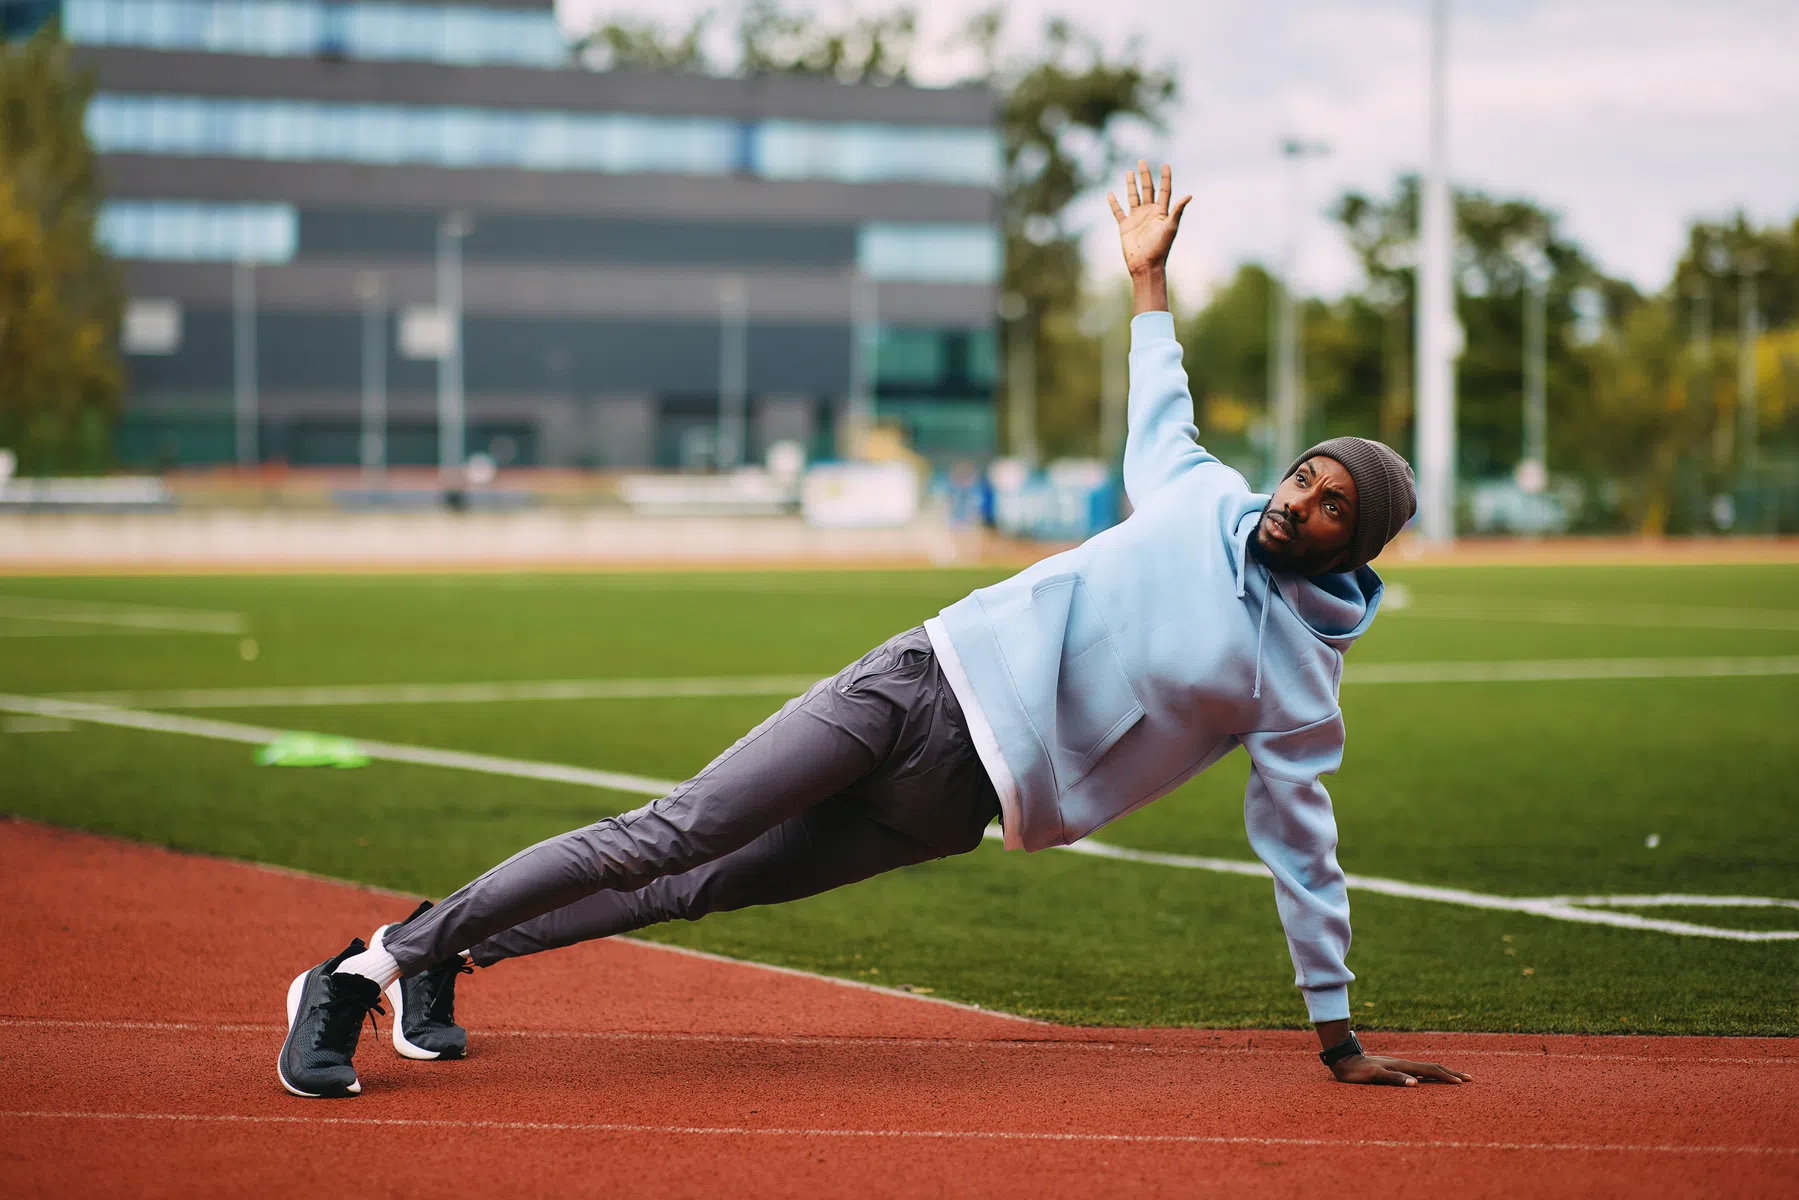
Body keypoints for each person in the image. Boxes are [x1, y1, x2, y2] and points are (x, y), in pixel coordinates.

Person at [278, 163, 1471, 1099]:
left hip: (954, 806)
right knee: (675, 831)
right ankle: (357, 975)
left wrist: (1336, 1036)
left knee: (690, 890)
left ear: (1354, 545)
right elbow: (1160, 386)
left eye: (1331, 506)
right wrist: (1146, 279)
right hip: (919, 688)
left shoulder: (1295, 685)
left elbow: (1300, 847)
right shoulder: (1195, 492)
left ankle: (448, 953)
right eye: (1304, 474)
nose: (1297, 500)